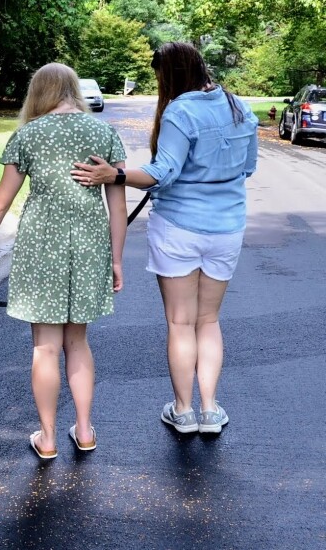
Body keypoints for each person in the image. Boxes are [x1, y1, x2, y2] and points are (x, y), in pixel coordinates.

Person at [71, 42, 258, 435]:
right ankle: (210, 410)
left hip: (178, 229)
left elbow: (164, 172)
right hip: (227, 229)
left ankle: (184, 409)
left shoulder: (180, 111)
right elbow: (249, 167)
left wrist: (115, 175)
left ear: (169, 73)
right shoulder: (240, 106)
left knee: (180, 322)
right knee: (208, 321)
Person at [0, 63, 127, 459]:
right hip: (89, 246)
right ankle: (84, 430)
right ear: (73, 90)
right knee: (77, 342)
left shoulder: (28, 135)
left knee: (45, 348)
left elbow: (0, 202)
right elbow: (117, 204)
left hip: (41, 248)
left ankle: (46, 438)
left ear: (38, 93)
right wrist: (116, 260)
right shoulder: (103, 133)